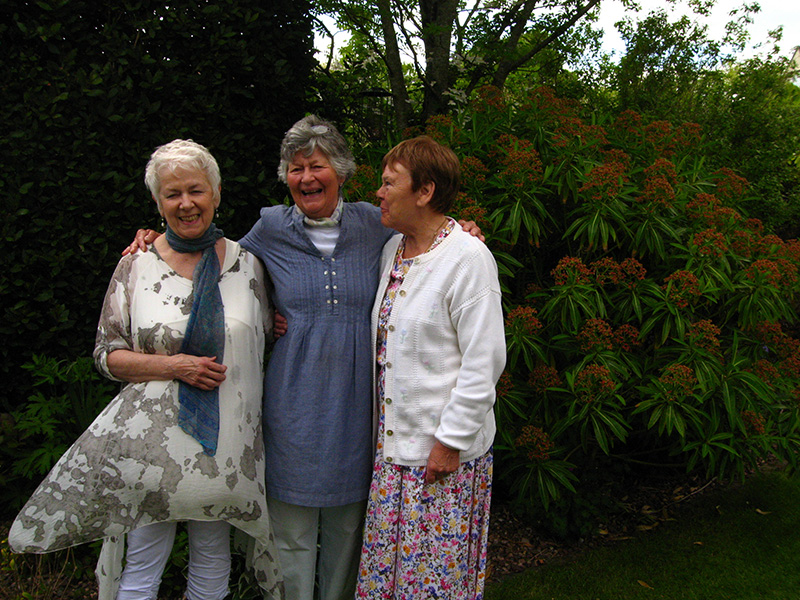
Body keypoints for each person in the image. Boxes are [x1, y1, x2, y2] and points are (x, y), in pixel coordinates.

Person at [123, 116, 483, 600]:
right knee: (289, 540)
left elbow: (428, 237)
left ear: (341, 171)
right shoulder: (271, 228)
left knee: (348, 539)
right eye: (296, 168)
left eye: (317, 166)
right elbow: (216, 258)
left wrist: (460, 231)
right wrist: (155, 239)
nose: (306, 177)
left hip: (360, 411)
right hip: (292, 408)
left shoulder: (377, 226)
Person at [9, 139, 283, 600]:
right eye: (172, 194)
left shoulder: (249, 266)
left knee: (213, 561)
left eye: (195, 190)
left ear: (216, 194)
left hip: (226, 445)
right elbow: (107, 355)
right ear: (158, 203)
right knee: (141, 566)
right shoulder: (135, 266)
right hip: (150, 449)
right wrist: (174, 365)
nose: (186, 203)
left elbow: (267, 332)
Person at [355, 136, 505, 599]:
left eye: (389, 183)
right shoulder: (392, 251)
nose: (379, 192)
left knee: (432, 584)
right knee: (390, 580)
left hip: (441, 461)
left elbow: (484, 361)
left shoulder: (467, 258)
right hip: (393, 452)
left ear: (425, 191)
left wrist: (450, 441)